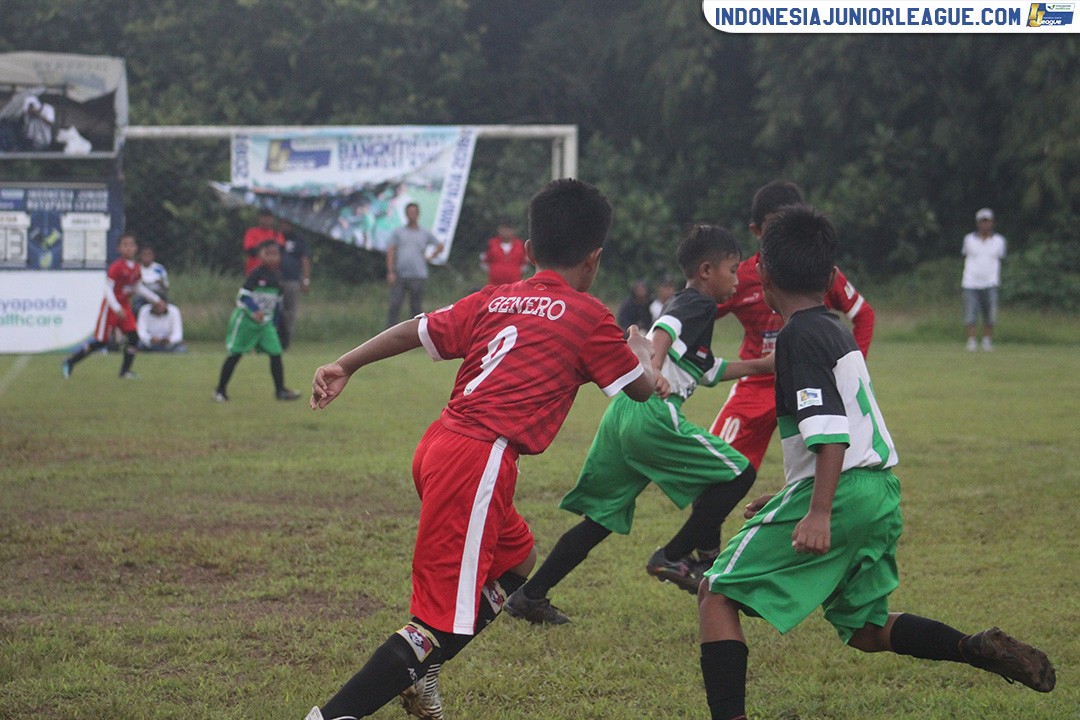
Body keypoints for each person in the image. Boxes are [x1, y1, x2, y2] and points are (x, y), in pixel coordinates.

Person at [301, 179, 656, 720]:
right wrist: (643, 351)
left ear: (529, 251)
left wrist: (345, 363)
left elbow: (415, 328)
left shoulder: (496, 296)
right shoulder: (590, 316)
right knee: (433, 623)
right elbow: (641, 389)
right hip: (478, 460)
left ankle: (423, 674)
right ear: (595, 258)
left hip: (441, 445)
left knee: (518, 560)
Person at [697, 205, 1055, 720]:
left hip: (840, 493)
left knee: (715, 591)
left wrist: (818, 510)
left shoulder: (796, 336)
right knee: (865, 629)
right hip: (879, 491)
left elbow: (832, 435)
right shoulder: (835, 329)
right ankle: (971, 647)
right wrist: (791, 495)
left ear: (765, 276)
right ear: (829, 278)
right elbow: (851, 431)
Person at [504, 225, 772, 625]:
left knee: (600, 520)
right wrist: (656, 366)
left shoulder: (690, 308)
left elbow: (707, 370)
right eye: (732, 271)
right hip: (652, 413)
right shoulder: (698, 304)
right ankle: (675, 556)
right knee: (739, 473)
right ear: (705, 271)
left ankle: (530, 596)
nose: (737, 280)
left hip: (622, 414)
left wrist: (765, 365)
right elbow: (663, 332)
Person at [708, 180, 875, 471]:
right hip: (757, 384)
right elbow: (699, 313)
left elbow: (864, 314)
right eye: (775, 226)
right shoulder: (740, 277)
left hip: (812, 377)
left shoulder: (816, 270)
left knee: (838, 460)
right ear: (756, 231)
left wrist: (850, 368)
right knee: (715, 467)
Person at [62, 233, 163, 380]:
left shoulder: (136, 268)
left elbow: (137, 287)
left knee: (133, 337)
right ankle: (70, 361)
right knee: (101, 341)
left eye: (131, 245)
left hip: (124, 307)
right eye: (125, 245)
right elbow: (108, 289)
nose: (128, 248)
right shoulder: (116, 267)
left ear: (136, 248)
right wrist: (116, 308)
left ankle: (125, 371)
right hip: (110, 308)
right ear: (119, 249)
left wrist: (156, 299)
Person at [213, 240, 301, 402]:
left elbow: (277, 304)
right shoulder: (256, 274)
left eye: (275, 254)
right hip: (247, 322)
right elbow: (243, 297)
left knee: (276, 353)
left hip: (265, 324)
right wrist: (255, 310)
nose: (272, 258)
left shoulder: (279, 277)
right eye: (268, 254)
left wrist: (275, 323)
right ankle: (220, 390)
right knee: (235, 354)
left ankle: (280, 391)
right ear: (260, 256)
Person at [385, 202, 443, 328]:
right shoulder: (398, 232)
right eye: (409, 212)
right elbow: (391, 251)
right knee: (395, 304)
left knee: (416, 307)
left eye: (414, 212)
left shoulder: (424, 232)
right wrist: (390, 271)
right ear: (406, 214)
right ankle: (390, 331)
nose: (412, 215)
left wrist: (430, 257)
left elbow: (440, 245)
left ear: (418, 214)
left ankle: (416, 333)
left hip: (418, 274)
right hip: (400, 274)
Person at [962, 208, 1006, 352]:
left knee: (990, 314)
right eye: (982, 222)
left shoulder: (999, 241)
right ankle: (971, 341)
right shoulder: (969, 239)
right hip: (970, 282)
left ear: (992, 223)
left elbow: (1000, 258)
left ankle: (987, 341)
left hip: (990, 282)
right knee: (970, 313)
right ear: (978, 223)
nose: (984, 224)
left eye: (987, 221)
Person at [276, 219, 311, 350]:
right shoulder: (275, 237)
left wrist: (306, 280)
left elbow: (304, 260)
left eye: (287, 223)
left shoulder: (298, 239)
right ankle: (273, 339)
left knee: (290, 311)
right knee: (276, 310)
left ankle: (287, 341)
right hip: (276, 280)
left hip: (292, 280)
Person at [480, 220, 529, 285]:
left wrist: (516, 271)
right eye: (503, 228)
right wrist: (493, 271)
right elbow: (484, 261)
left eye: (508, 229)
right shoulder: (491, 244)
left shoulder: (520, 245)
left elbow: (525, 263)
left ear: (513, 230)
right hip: (495, 284)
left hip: (514, 283)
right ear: (499, 229)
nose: (506, 231)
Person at [243, 209, 285, 275]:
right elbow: (250, 251)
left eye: (269, 217)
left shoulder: (276, 234)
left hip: (273, 271)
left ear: (272, 219)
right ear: (259, 218)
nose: (266, 220)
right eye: (264, 217)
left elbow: (281, 250)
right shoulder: (251, 232)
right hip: (254, 270)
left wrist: (262, 247)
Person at [132, 243, 170, 315]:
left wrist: (160, 283)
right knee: (136, 308)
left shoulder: (159, 268)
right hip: (142, 296)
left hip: (158, 293)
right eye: (144, 254)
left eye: (149, 254)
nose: (146, 257)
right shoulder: (137, 268)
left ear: (153, 256)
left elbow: (166, 285)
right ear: (140, 256)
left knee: (168, 307)